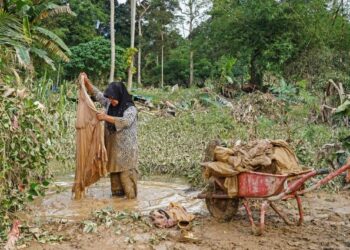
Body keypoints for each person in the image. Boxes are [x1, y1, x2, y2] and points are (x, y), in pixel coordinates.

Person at [80, 73, 138, 199]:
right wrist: (87, 82)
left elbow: (125, 121)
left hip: (126, 151)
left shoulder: (130, 109)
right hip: (113, 149)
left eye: (113, 98)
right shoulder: (109, 104)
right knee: (115, 182)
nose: (111, 101)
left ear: (120, 96)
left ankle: (131, 204)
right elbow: (98, 95)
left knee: (126, 179)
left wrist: (105, 117)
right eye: (110, 98)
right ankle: (118, 206)